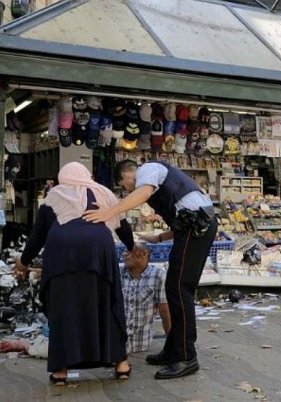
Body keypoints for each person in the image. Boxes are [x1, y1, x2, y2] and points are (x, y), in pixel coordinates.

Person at [83, 159, 217, 380]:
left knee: (179, 288)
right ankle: (174, 350)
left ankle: (186, 356)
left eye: (124, 186)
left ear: (126, 175)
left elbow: (144, 192)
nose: (127, 190)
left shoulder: (148, 170)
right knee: (175, 289)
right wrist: (160, 237)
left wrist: (110, 211)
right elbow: (184, 214)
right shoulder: (158, 185)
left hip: (197, 229)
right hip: (193, 227)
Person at [13, 162, 132, 385]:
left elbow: (38, 236)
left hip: (62, 254)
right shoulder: (103, 192)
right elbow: (123, 227)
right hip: (99, 252)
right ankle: (121, 364)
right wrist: (133, 247)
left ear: (63, 177)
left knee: (63, 308)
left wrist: (23, 262)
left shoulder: (54, 195)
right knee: (106, 304)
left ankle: (60, 371)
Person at [121, 243, 171, 353]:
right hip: (117, 344)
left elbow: (164, 311)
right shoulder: (118, 273)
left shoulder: (158, 275)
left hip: (141, 344)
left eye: (129, 251)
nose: (124, 254)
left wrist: (171, 343)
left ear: (143, 254)